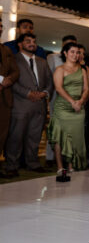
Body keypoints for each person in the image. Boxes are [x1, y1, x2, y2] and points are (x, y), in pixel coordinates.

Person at [4, 33, 54, 175]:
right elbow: (11, 81)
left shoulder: (42, 61)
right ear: (20, 44)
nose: (32, 43)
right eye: (28, 41)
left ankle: (32, 163)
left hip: (39, 106)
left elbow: (50, 82)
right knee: (15, 137)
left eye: (33, 41)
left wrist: (45, 93)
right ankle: (12, 166)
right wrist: (27, 93)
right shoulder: (13, 60)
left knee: (35, 137)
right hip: (20, 105)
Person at [48, 42, 89, 175]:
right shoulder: (59, 69)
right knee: (60, 137)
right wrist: (72, 102)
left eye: (78, 52)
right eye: (72, 52)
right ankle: (60, 167)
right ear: (65, 53)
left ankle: (72, 165)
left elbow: (86, 89)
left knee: (75, 138)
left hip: (78, 108)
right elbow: (58, 88)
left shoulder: (82, 70)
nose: (75, 55)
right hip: (63, 108)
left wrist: (81, 101)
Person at [46, 35, 77, 165]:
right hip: (56, 97)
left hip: (72, 100)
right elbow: (48, 77)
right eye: (68, 44)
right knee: (55, 127)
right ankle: (50, 157)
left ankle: (66, 157)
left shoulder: (76, 60)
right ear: (63, 45)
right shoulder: (53, 57)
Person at [0, 23, 20, 178]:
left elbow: (15, 71)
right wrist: (1, 79)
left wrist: (9, 80)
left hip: (4, 99)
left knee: (2, 134)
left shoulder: (6, 50)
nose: (0, 29)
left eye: (1, 26)